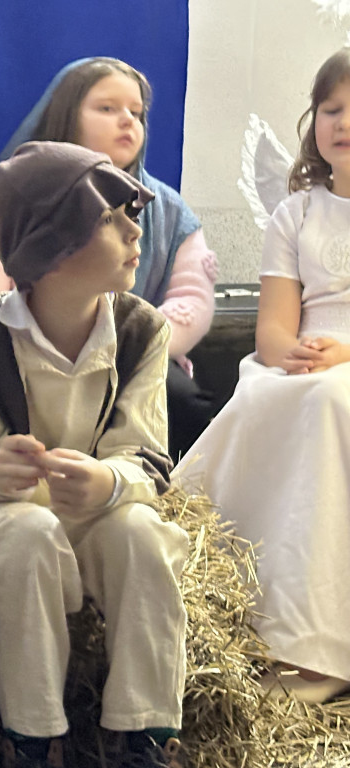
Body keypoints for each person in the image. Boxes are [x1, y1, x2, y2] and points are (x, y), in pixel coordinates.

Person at [0, 142, 187, 768]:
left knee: (142, 533)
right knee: (27, 534)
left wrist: (109, 482)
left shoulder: (142, 331)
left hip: (96, 516)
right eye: (109, 220)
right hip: (11, 520)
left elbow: (146, 455)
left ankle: (145, 732)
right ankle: (32, 737)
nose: (135, 228)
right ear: (50, 250)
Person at [175, 48, 350, 705]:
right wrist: (292, 353)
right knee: (269, 401)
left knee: (333, 400)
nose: (343, 121)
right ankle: (240, 621)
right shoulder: (296, 213)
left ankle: (323, 646)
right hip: (303, 356)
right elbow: (274, 327)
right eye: (332, 108)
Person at [0, 57, 218, 461]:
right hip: (26, 357)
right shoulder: (15, 200)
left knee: (181, 403)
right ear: (65, 114)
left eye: (137, 112)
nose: (127, 120)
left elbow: (192, 297)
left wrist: (135, 349)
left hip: (131, 359)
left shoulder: (170, 210)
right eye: (107, 109)